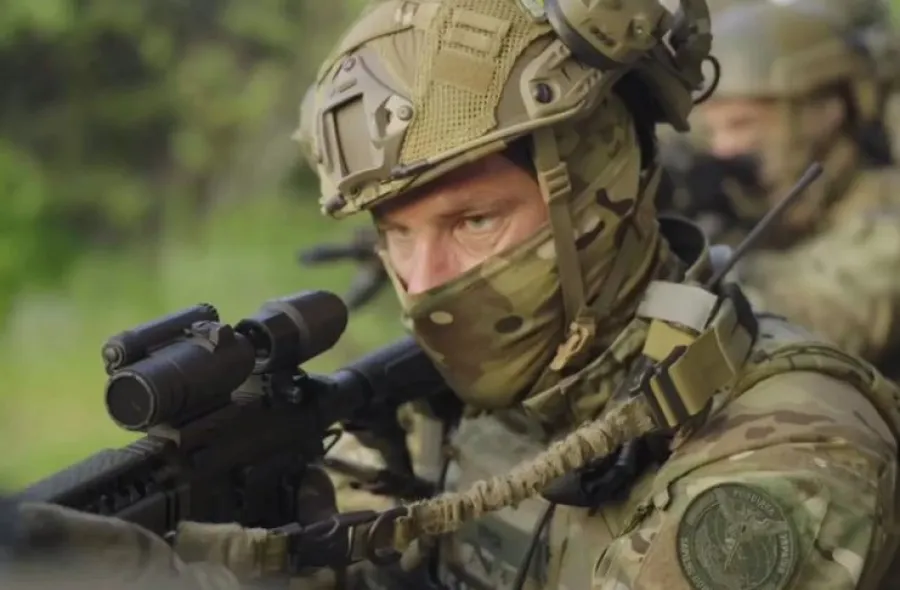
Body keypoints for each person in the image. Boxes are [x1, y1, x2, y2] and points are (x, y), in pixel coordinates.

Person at [8, 0, 900, 588]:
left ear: (602, 196)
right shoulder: (495, 397)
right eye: (396, 235)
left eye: (475, 221)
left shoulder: (786, 456)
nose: (428, 284)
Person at [689, 0, 900, 378]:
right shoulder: (754, 207)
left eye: (742, 124)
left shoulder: (888, 219)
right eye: (714, 130)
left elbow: (809, 318)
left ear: (825, 111)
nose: (724, 149)